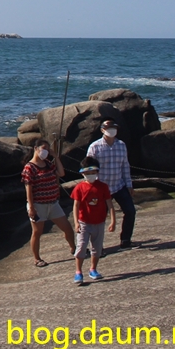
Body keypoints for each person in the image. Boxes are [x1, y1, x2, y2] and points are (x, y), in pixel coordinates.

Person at [21, 138, 76, 266]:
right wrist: (31, 207)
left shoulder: (48, 164)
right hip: (38, 205)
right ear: (36, 149)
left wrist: (55, 157)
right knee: (37, 232)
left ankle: (74, 248)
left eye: (47, 148)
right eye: (43, 148)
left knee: (67, 228)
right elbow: (28, 189)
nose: (46, 151)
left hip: (53, 203)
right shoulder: (29, 167)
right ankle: (37, 259)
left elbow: (61, 173)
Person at [86, 118, 137, 249]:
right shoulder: (95, 147)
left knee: (130, 211)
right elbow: (89, 168)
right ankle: (97, 246)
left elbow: (125, 166)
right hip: (101, 188)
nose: (112, 130)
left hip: (119, 185)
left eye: (114, 128)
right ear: (102, 130)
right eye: (108, 128)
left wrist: (129, 185)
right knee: (98, 218)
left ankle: (125, 240)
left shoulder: (121, 145)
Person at [70, 159, 115, 284]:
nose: (91, 175)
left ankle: (93, 269)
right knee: (81, 246)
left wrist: (113, 221)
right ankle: (78, 272)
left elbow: (110, 204)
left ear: (97, 172)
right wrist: (76, 222)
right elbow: (76, 206)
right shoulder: (79, 187)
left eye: (93, 172)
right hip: (84, 222)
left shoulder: (103, 187)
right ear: (83, 174)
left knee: (97, 248)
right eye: (88, 173)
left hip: (99, 222)